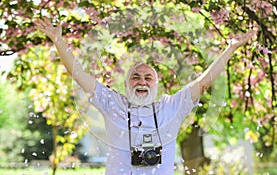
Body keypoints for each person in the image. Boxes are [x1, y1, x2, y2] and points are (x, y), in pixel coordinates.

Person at [35, 17, 256, 175]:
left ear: (157, 84)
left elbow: (204, 81)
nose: (142, 81)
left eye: (148, 78)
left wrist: (231, 49)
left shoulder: (172, 106)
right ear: (126, 83)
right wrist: (58, 40)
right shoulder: (112, 103)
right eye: (136, 77)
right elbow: (78, 73)